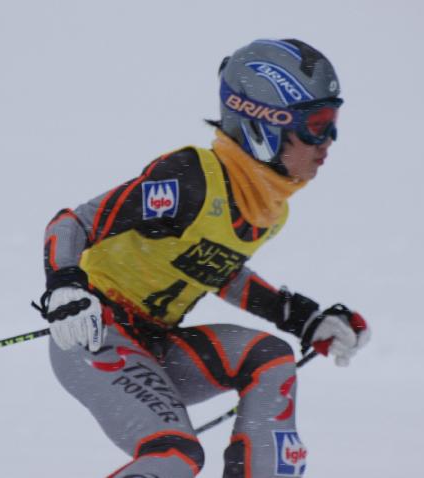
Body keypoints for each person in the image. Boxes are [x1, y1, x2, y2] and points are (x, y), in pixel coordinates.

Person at [38, 38, 371, 478]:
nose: (329, 140)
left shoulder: (266, 208)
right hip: (97, 335)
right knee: (174, 454)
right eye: (317, 124)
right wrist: (65, 287)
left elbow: (216, 269)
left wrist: (302, 318)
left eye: (333, 121)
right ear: (264, 124)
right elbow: (73, 223)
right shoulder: (190, 179)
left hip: (155, 344)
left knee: (271, 359)